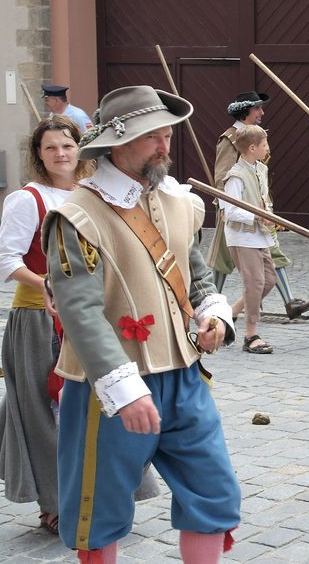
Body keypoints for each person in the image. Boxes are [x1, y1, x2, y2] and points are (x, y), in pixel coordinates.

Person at [44, 85, 240, 561]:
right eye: (150, 135)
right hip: (108, 390)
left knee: (213, 495)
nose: (163, 145)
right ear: (116, 143)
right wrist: (124, 390)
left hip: (186, 379)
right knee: (98, 509)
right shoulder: (76, 216)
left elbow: (196, 275)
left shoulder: (177, 202)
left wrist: (213, 314)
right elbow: (79, 311)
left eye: (167, 134)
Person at [0, 117, 89, 536]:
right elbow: (7, 260)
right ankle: (53, 503)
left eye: (67, 146)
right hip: (38, 321)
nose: (60, 154)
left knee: (92, 409)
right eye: (50, 147)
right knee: (43, 414)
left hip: (90, 318)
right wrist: (45, 284)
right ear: (38, 154)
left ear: (79, 148)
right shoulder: (26, 200)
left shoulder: (93, 195)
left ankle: (95, 494)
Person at [207, 91, 309, 321]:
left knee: (272, 251)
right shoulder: (230, 139)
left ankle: (289, 302)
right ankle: (213, 304)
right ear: (246, 111)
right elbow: (222, 176)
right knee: (222, 259)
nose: (262, 113)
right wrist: (228, 204)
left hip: (259, 209)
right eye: (258, 108)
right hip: (234, 208)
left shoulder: (256, 135)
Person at [220, 124, 278, 354]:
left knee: (269, 280)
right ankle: (250, 334)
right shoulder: (235, 176)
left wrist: (269, 216)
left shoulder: (260, 169)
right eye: (264, 145)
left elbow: (263, 199)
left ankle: (231, 312)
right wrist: (257, 216)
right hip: (242, 237)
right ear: (252, 148)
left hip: (260, 236)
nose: (268, 148)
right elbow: (230, 211)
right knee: (254, 284)